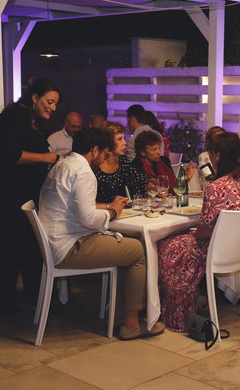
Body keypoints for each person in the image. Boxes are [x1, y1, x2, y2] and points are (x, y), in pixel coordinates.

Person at [39, 129, 164, 340]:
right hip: (70, 246)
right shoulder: (83, 171)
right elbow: (87, 218)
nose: (104, 159)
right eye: (105, 154)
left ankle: (116, 313)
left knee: (127, 247)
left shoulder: (63, 164)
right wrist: (113, 212)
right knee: (139, 251)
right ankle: (131, 324)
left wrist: (108, 208)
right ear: (95, 150)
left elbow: (78, 209)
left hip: (55, 241)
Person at [0, 78, 62, 315]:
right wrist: (46, 158)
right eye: (50, 102)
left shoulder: (32, 120)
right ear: (34, 97)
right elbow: (8, 154)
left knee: (24, 246)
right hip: (4, 195)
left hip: (19, 194)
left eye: (55, 104)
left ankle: (30, 298)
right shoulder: (13, 117)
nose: (53, 108)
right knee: (2, 249)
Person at [157, 132, 240, 331]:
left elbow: (204, 231)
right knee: (179, 242)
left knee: (167, 245)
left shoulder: (216, 187)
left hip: (214, 250)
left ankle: (178, 313)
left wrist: (195, 233)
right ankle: (195, 299)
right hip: (239, 250)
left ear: (218, 156)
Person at [95, 121, 148, 202]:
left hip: (122, 208)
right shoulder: (96, 164)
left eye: (124, 138)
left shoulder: (123, 160)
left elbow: (140, 182)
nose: (125, 143)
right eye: (119, 139)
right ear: (108, 142)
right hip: (99, 208)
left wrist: (153, 186)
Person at [129, 130, 177, 195]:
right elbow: (138, 192)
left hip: (169, 198)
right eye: (154, 149)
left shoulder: (165, 161)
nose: (159, 152)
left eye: (159, 148)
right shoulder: (135, 166)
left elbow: (175, 184)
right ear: (142, 152)